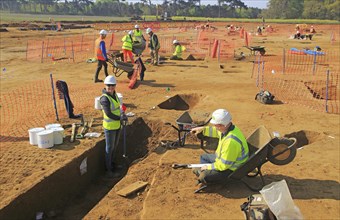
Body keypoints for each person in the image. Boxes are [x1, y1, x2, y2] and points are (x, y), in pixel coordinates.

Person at [190, 109, 249, 189]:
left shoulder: (231, 142)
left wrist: (209, 167)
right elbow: (215, 131)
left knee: (204, 176)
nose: (214, 126)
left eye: (215, 125)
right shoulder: (228, 128)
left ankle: (213, 181)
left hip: (231, 168)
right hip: (223, 159)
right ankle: (207, 174)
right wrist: (202, 129)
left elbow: (224, 165)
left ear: (221, 125)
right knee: (204, 157)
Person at [100, 75, 127, 178]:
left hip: (116, 126)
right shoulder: (104, 99)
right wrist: (120, 118)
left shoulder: (114, 95)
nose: (110, 87)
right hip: (109, 128)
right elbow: (108, 114)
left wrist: (122, 114)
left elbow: (118, 107)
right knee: (109, 148)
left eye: (112, 85)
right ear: (105, 85)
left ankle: (113, 164)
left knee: (114, 147)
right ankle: (109, 170)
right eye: (108, 85)